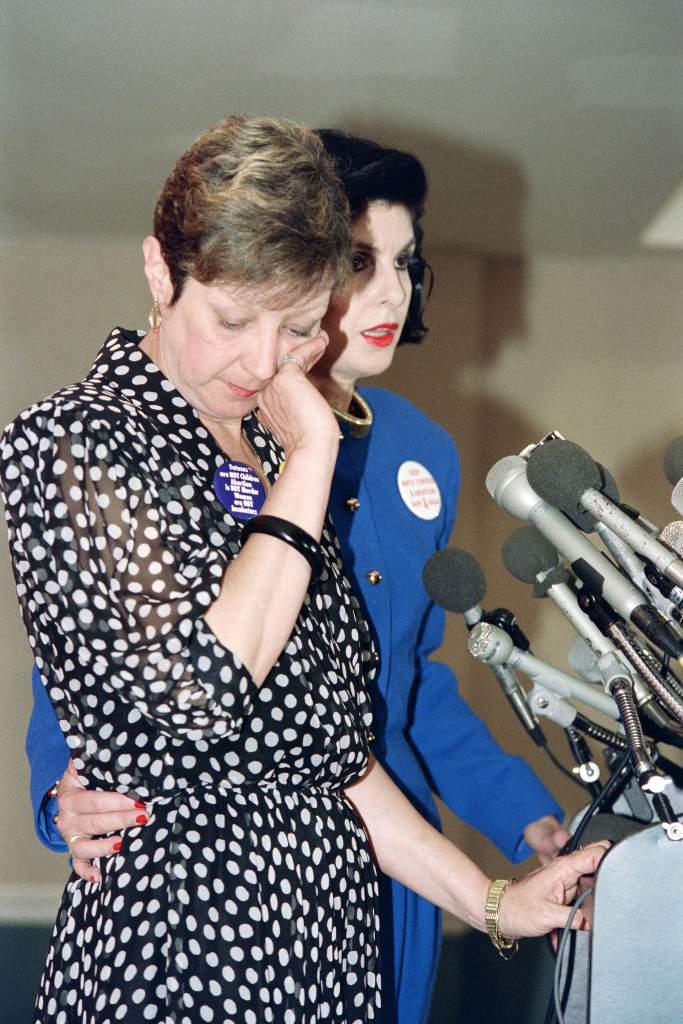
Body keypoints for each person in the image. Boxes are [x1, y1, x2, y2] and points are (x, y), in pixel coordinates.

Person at [5, 115, 605, 1024]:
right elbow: (178, 693)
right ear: (161, 275)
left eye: (289, 327)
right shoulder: (81, 439)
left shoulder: (276, 449)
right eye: (233, 321)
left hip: (332, 932)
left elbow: (335, 744)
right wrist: (312, 454)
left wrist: (495, 899)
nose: (261, 360)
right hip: (191, 941)